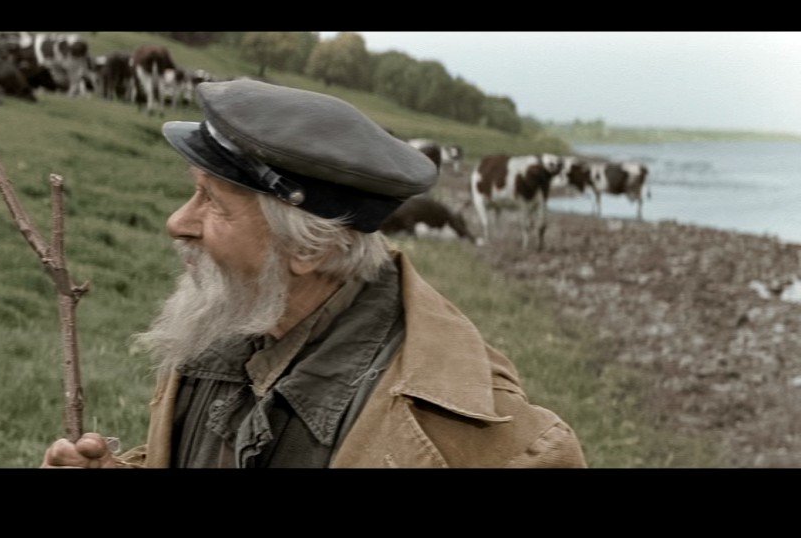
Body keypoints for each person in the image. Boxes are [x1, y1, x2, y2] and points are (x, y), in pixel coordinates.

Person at [42, 79, 587, 468]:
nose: (177, 223)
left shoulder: (498, 445)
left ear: (310, 248)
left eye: (213, 202)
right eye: (193, 192)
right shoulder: (224, 332)